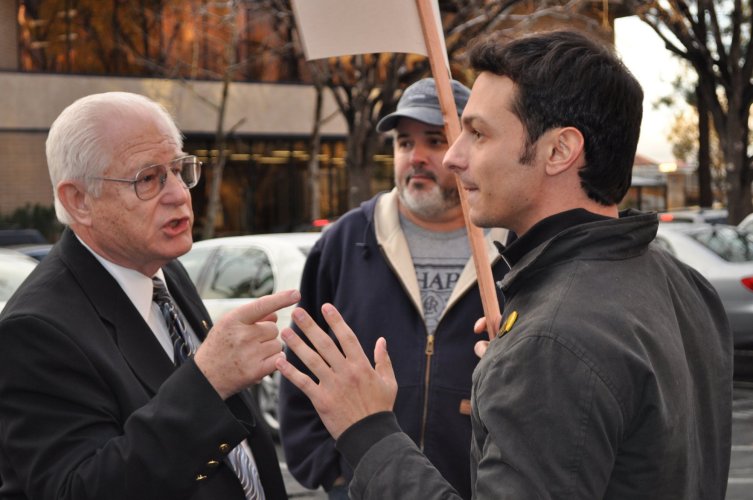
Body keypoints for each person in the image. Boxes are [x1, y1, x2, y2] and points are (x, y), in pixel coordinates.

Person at [276, 30, 733, 500]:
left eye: (477, 133)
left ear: (559, 150)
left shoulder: (554, 339)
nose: (453, 157)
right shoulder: (686, 286)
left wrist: (370, 434)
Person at [0, 92, 299, 500]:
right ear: (79, 201)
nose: (179, 194)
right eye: (147, 178)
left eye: (178, 170)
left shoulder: (165, 271)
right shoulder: (36, 330)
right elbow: (80, 489)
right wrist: (208, 382)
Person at [277, 78, 508, 499]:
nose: (415, 157)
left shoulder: (513, 248)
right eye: (404, 143)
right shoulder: (346, 242)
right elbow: (303, 367)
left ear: (468, 149)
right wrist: (336, 475)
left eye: (434, 141)